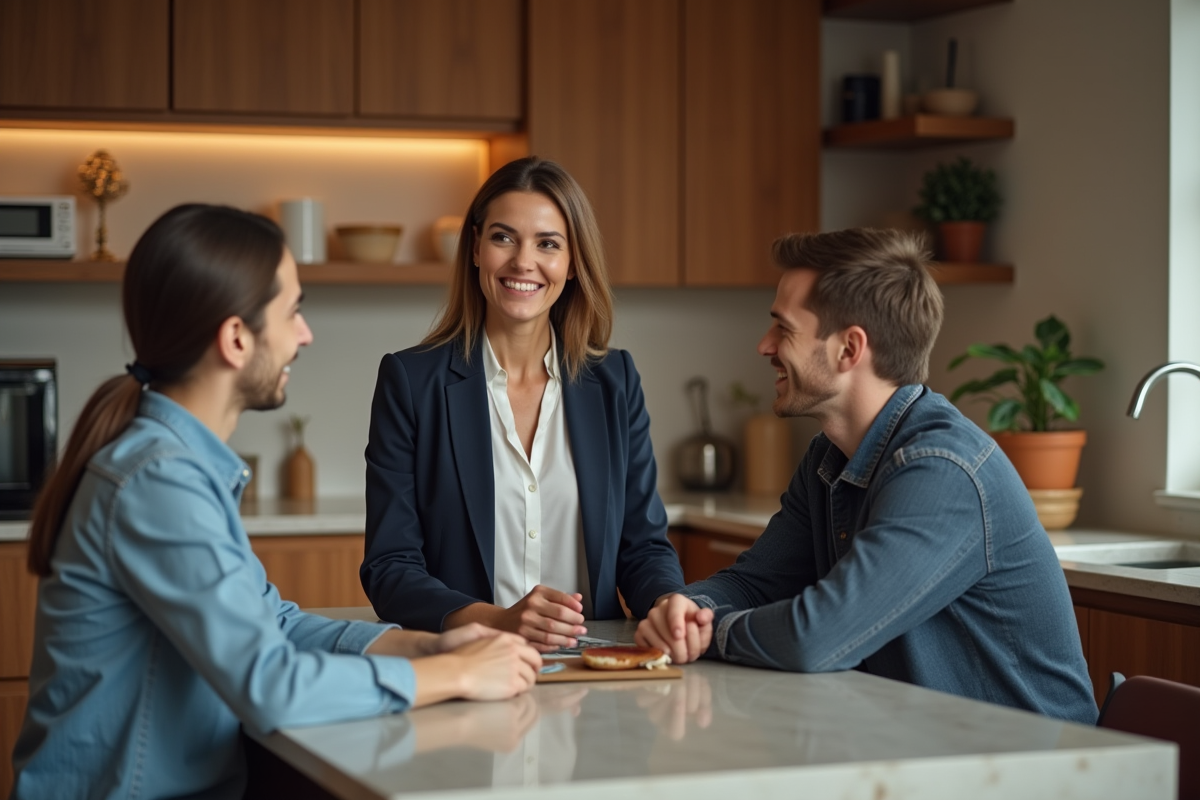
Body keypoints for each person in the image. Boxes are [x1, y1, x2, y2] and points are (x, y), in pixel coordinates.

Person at [10, 204, 542, 800]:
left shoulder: (178, 467)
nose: (305, 334)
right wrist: (452, 674)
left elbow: (271, 623)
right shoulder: (158, 482)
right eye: (292, 311)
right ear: (237, 338)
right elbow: (270, 685)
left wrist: (427, 643)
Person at [635, 228, 1098, 724]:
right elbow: (754, 583)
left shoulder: (943, 472)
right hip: (929, 756)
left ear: (849, 349)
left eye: (783, 329)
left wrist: (712, 631)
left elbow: (817, 637)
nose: (764, 345)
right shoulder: (828, 458)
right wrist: (686, 607)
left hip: (1031, 772)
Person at [362, 156, 684, 651]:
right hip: (468, 666)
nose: (523, 262)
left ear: (573, 262)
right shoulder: (410, 381)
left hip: (593, 676)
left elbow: (641, 547)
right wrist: (498, 621)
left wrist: (668, 605)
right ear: (475, 248)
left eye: (548, 244)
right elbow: (390, 566)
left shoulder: (615, 380)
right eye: (503, 237)